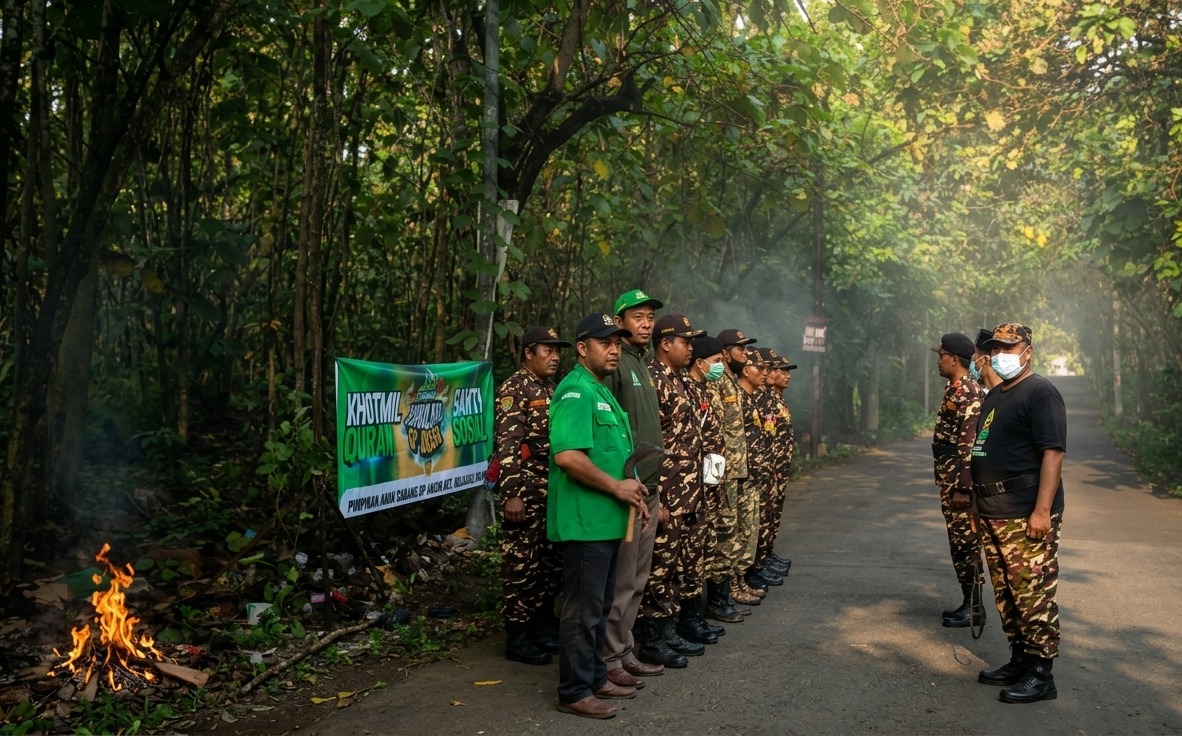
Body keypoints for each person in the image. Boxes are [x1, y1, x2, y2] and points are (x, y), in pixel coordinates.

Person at [548, 313, 650, 719]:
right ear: (581, 348)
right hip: (585, 521)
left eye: (617, 343)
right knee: (583, 610)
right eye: (605, 342)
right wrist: (616, 488)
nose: (614, 350)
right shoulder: (575, 391)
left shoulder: (601, 390)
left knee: (601, 604)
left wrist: (633, 489)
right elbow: (568, 456)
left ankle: (593, 677)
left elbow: (614, 456)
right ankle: (574, 691)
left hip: (607, 520)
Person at [971, 322, 1066, 705]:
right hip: (993, 511)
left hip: (1024, 513)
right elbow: (983, 449)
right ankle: (1020, 660)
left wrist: (1041, 510)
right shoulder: (997, 394)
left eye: (1008, 348)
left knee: (1031, 594)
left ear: (1027, 351)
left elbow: (1053, 453)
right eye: (995, 348)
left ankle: (1041, 674)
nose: (999, 355)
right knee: (1007, 594)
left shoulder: (1041, 393)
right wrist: (977, 503)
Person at [602, 290, 673, 675]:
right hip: (628, 489)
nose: (646, 324)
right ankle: (609, 658)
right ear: (620, 322)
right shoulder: (616, 364)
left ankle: (625, 650)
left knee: (638, 578)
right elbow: (611, 434)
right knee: (622, 580)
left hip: (649, 487)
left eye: (650, 317)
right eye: (638, 317)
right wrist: (624, 482)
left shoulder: (641, 363)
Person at [637, 314, 715, 659]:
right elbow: (650, 445)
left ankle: (670, 628)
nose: (691, 348)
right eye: (685, 341)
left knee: (675, 566)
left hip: (689, 492)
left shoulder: (680, 380)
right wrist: (659, 499)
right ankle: (652, 638)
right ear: (665, 344)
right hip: (668, 494)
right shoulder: (652, 380)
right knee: (659, 566)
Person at [494, 326, 572, 665]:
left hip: (550, 490)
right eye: (547, 351)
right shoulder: (515, 388)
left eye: (557, 351)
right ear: (529, 353)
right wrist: (512, 494)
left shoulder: (552, 388)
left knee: (548, 563)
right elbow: (508, 445)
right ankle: (518, 637)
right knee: (522, 565)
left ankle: (542, 626)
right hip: (524, 491)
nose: (555, 357)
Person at [685, 335, 742, 625]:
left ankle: (713, 602)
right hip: (694, 481)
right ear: (700, 362)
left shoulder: (707, 388)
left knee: (714, 539)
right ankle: (693, 613)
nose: (721, 365)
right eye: (717, 361)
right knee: (697, 546)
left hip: (715, 475)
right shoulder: (689, 388)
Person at [929, 332, 985, 628]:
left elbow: (970, 443)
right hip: (950, 478)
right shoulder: (957, 387)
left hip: (959, 482)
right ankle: (970, 603)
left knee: (965, 544)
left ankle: (974, 607)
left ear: (954, 359)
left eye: (941, 356)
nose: (938, 361)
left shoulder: (967, 390)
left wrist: (964, 486)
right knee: (959, 543)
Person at [705, 329, 762, 610]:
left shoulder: (732, 382)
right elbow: (714, 429)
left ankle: (735, 585)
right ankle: (719, 596)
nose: (746, 354)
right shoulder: (716, 381)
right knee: (725, 530)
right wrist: (716, 474)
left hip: (738, 469)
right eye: (741, 349)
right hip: (722, 471)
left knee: (739, 529)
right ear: (726, 353)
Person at [751, 347, 795, 582]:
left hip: (777, 467)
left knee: (772, 513)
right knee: (763, 515)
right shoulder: (760, 397)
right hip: (766, 467)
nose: (786, 375)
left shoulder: (775, 398)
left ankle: (766, 554)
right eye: (781, 370)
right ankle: (757, 563)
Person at [736, 348, 776, 596]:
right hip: (741, 475)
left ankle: (746, 576)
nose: (764, 372)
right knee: (739, 532)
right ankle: (735, 583)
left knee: (751, 529)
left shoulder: (753, 397)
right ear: (745, 370)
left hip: (757, 472)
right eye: (759, 368)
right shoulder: (738, 396)